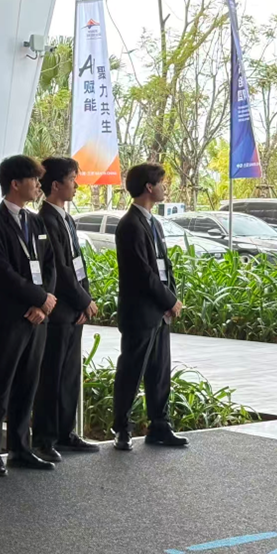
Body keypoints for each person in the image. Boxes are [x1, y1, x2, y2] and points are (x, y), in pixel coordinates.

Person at [0, 155, 57, 477]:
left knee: (28, 384)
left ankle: (21, 449)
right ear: (14, 183)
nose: (38, 185)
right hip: (10, 317)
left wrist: (44, 302)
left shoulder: (36, 222)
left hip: (37, 318)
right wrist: (38, 298)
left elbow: (49, 265)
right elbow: (1, 273)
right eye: (33, 179)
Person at [112, 163, 187, 451]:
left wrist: (171, 298)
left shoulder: (153, 223)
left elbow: (164, 266)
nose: (164, 188)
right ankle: (122, 429)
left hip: (159, 312)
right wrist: (169, 300)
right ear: (148, 187)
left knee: (159, 372)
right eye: (161, 183)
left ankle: (160, 426)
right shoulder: (130, 225)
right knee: (131, 372)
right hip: (140, 313)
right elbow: (142, 273)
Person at [33, 157, 100, 460]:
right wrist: (83, 300)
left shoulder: (67, 219)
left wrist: (86, 298)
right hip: (58, 311)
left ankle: (66, 432)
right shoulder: (45, 219)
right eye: (72, 179)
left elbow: (78, 265)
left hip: (74, 311)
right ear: (56, 184)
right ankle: (45, 438)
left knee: (70, 375)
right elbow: (58, 269)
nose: (76, 185)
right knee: (51, 375)